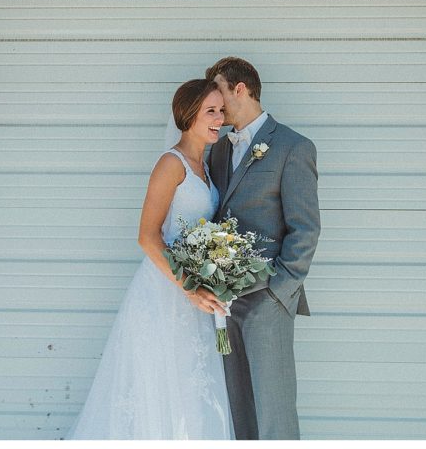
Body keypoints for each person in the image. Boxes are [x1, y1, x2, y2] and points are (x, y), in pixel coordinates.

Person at [66, 79, 234, 439]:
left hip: (194, 298)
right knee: (158, 388)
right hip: (164, 294)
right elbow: (147, 236)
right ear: (188, 115)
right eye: (211, 111)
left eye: (221, 110)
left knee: (190, 387)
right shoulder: (171, 164)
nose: (220, 118)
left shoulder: (205, 165)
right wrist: (189, 286)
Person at [205, 56, 321, 440]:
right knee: (238, 412)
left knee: (275, 415)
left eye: (219, 92)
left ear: (240, 88)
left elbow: (305, 229)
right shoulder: (217, 150)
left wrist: (278, 289)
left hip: (268, 301)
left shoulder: (293, 147)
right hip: (224, 305)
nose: (216, 105)